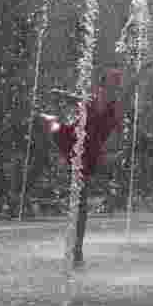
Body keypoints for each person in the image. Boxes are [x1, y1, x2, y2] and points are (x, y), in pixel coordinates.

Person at [40, 69, 125, 268]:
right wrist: (60, 94)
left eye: (117, 82)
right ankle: (76, 251)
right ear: (104, 83)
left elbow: (118, 132)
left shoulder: (115, 105)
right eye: (114, 81)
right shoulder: (94, 97)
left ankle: (76, 250)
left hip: (90, 152)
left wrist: (115, 153)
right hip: (76, 143)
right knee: (80, 201)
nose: (116, 85)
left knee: (81, 201)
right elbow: (77, 100)